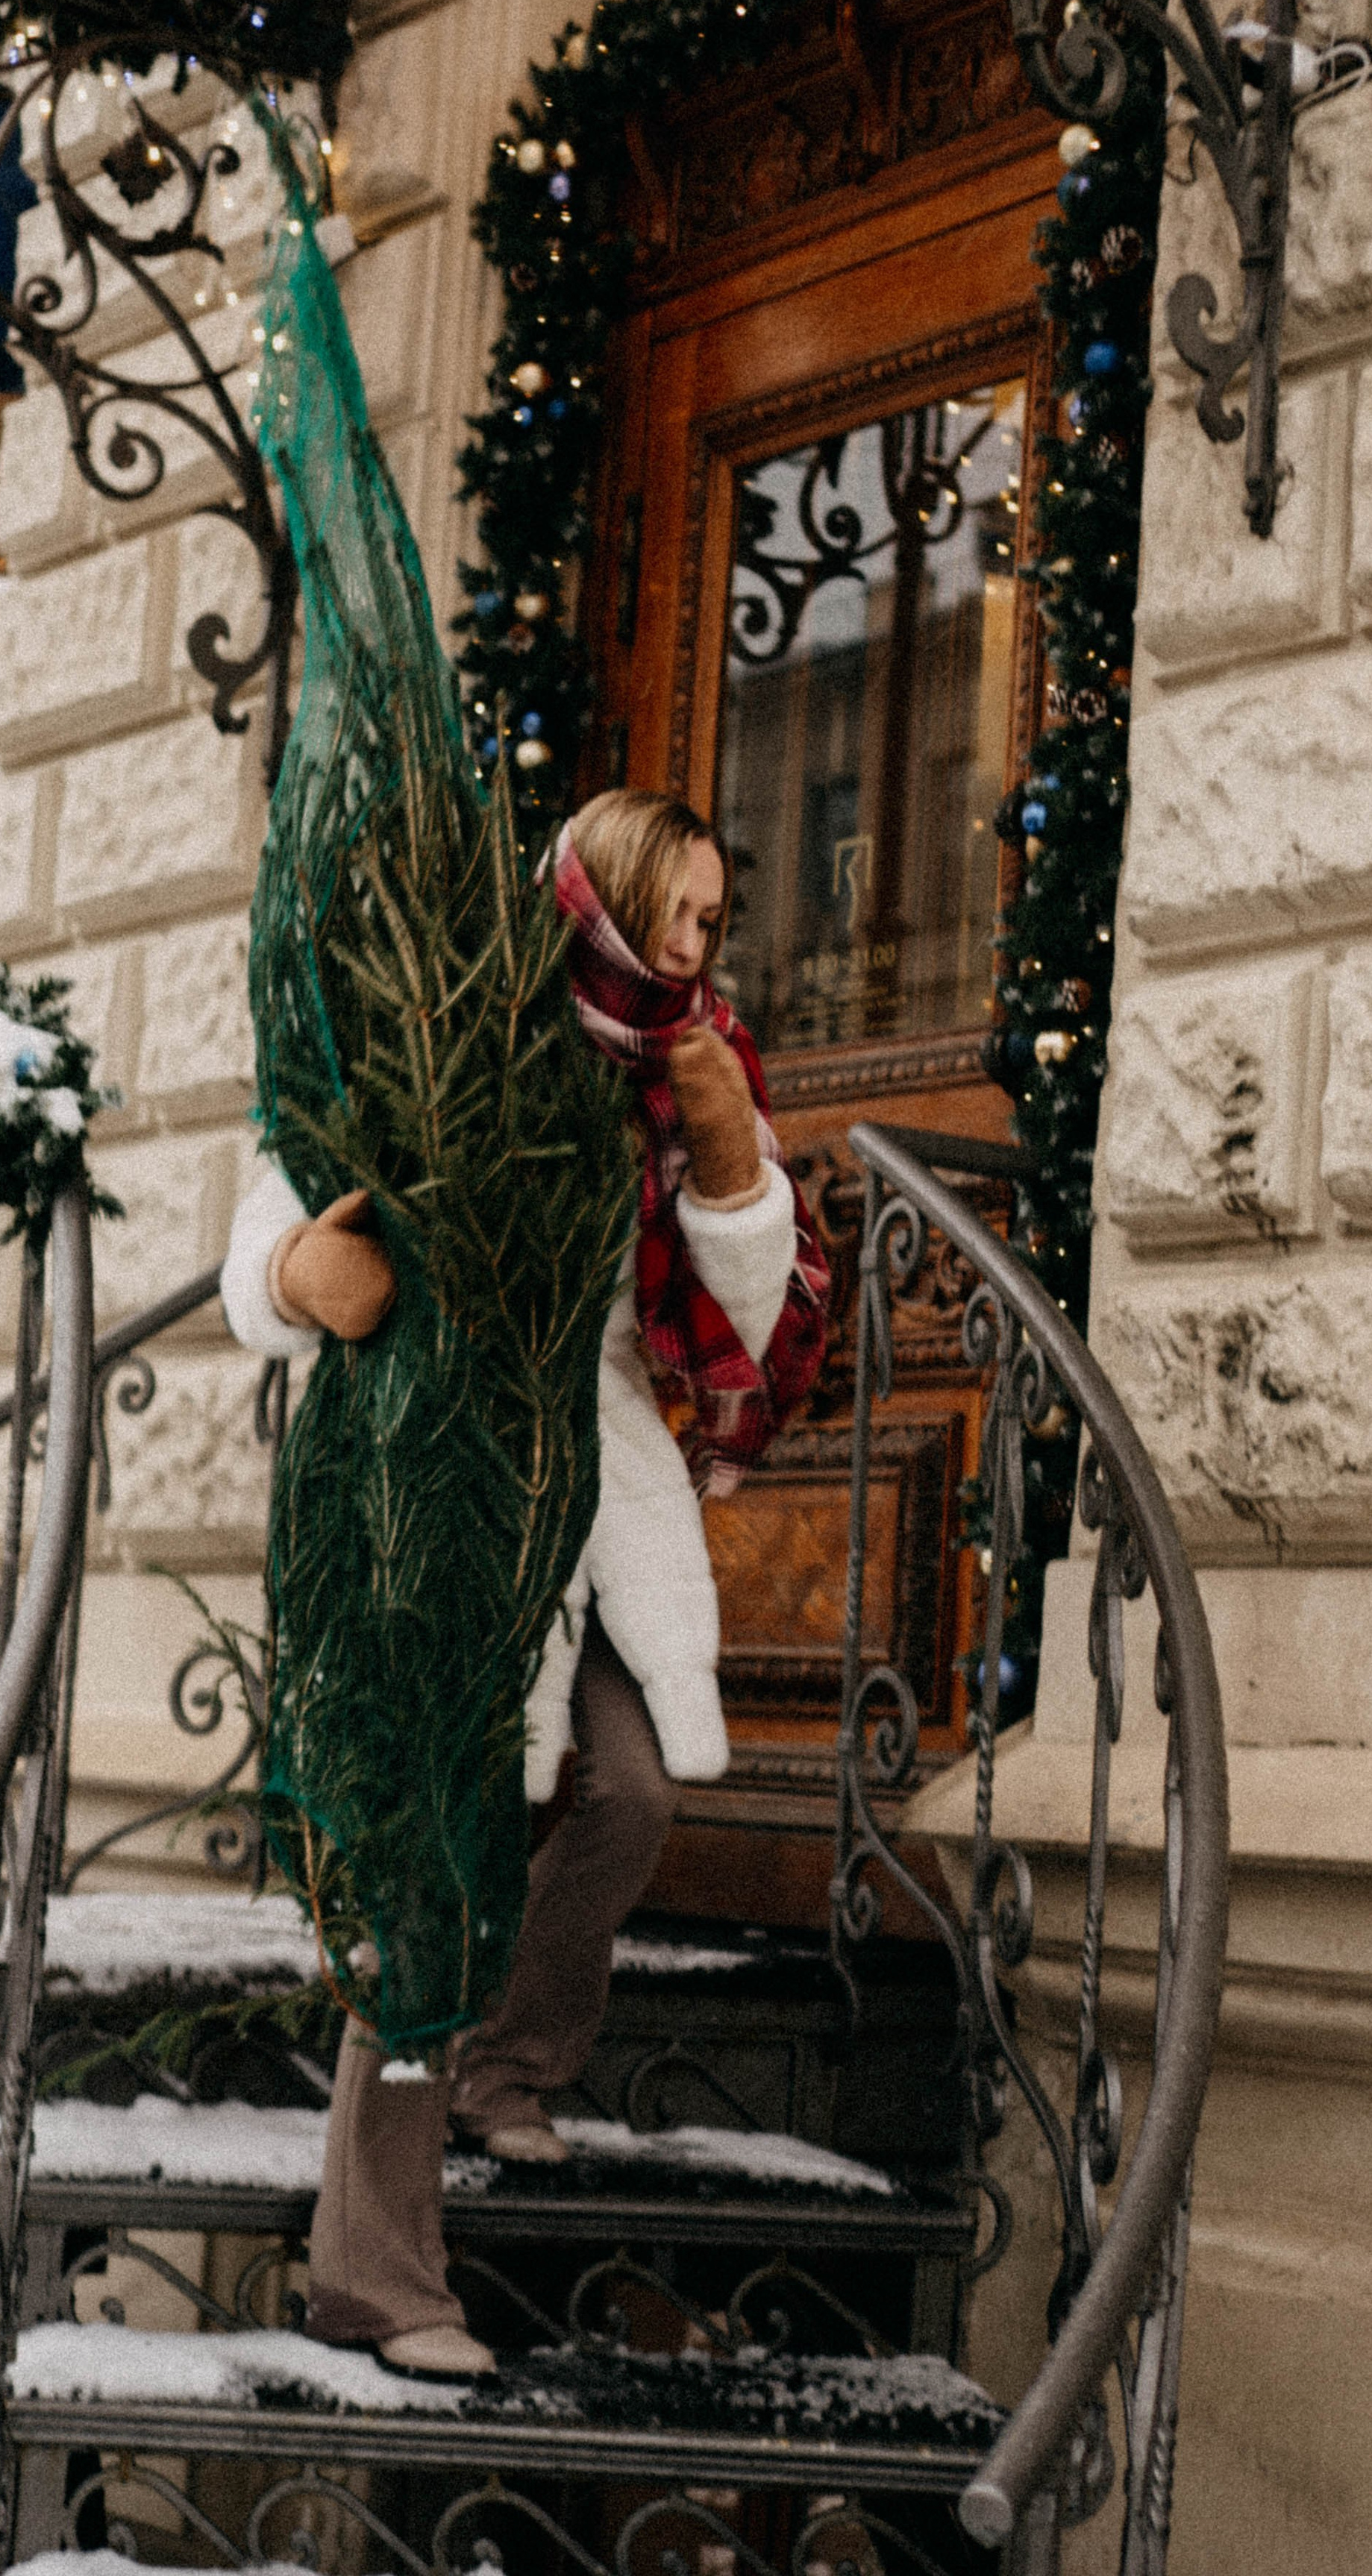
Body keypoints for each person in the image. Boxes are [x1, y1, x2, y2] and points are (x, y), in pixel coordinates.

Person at [220, 787, 828, 2376]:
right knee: (432, 1853)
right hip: (444, 1479)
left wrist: (723, 1164)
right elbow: (273, 1217)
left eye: (713, 919)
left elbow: (750, 1323)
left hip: (606, 1482)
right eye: (681, 913)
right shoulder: (453, 1014)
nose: (700, 945)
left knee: (625, 1787)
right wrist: (302, 1277)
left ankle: (511, 2062)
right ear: (611, 896)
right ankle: (375, 2272)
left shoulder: (700, 1057)